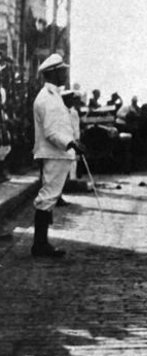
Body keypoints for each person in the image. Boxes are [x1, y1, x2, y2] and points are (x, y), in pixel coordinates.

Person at [31, 54, 85, 258]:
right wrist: (70, 143)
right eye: (62, 70)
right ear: (52, 73)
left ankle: (41, 243)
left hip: (58, 153)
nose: (65, 73)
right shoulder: (47, 98)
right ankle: (40, 245)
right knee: (47, 197)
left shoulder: (53, 97)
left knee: (49, 197)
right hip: (55, 153)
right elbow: (52, 132)